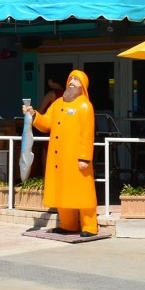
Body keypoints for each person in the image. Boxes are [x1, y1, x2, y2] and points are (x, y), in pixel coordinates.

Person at [23, 69, 98, 237]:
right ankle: (68, 224)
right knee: (63, 189)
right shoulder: (57, 104)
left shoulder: (85, 106)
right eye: (70, 78)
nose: (72, 81)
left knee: (83, 191)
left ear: (83, 85)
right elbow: (46, 123)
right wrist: (33, 114)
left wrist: (85, 157)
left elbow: (87, 134)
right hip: (59, 157)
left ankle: (90, 225)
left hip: (77, 157)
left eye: (77, 80)